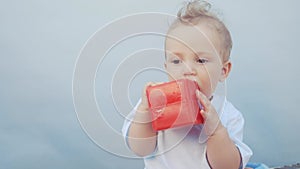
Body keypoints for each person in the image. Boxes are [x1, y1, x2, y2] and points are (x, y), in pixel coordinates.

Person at [122, 0, 253, 168]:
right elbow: (140, 149)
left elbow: (228, 166)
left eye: (200, 60)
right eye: (176, 61)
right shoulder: (154, 104)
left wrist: (216, 131)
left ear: (223, 71)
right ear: (166, 67)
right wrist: (146, 114)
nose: (187, 70)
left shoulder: (228, 115)